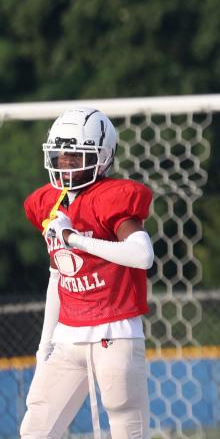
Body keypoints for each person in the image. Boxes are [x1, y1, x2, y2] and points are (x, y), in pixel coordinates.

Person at [21, 107, 155, 439]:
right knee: (36, 428)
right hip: (67, 335)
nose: (65, 161)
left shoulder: (112, 198)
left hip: (115, 329)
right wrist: (43, 347)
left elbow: (142, 254)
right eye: (61, 154)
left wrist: (75, 239)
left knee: (126, 426)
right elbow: (58, 277)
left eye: (75, 154)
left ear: (103, 156)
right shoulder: (47, 203)